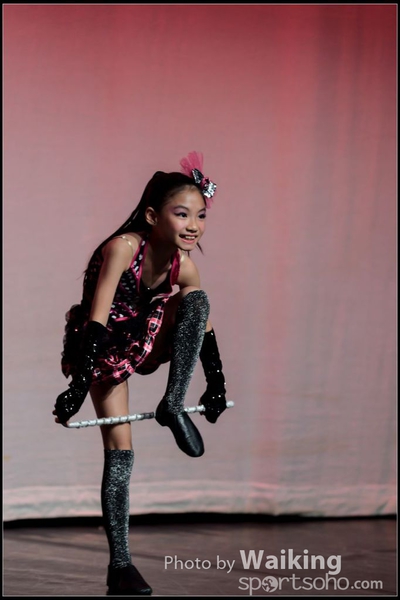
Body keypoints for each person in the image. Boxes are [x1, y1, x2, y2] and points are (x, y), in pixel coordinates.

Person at [52, 151, 228, 596]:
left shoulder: (184, 265)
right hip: (103, 347)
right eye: (182, 214)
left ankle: (173, 405)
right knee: (120, 451)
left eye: (201, 216)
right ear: (152, 216)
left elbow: (202, 327)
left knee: (197, 299)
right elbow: (96, 320)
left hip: (147, 338)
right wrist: (78, 386)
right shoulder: (123, 248)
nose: (194, 225)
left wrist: (216, 384)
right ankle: (121, 567)